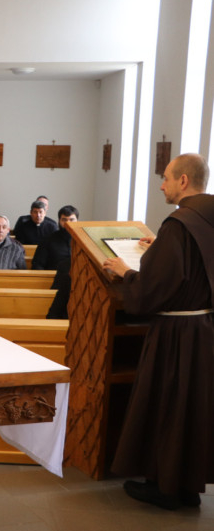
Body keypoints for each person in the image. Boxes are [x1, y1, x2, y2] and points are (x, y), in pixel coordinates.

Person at [102, 153, 214, 510]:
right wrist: (160, 250)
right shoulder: (205, 219)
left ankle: (164, 487)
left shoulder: (180, 223)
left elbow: (154, 288)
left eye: (166, 178)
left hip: (176, 333)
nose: (162, 185)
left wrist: (126, 272)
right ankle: (188, 486)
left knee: (168, 405)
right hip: (204, 329)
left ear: (184, 181)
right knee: (192, 408)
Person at [32, 205, 79, 270]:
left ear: (77, 221)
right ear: (59, 221)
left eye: (71, 220)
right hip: (53, 275)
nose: (68, 223)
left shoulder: (83, 241)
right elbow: (37, 265)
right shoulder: (47, 240)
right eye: (64, 220)